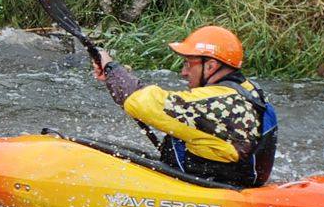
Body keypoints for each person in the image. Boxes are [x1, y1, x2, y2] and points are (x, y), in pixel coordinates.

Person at [90, 26, 278, 188]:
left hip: (216, 188)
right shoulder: (248, 90)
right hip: (230, 179)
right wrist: (113, 78)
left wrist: (111, 68)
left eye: (189, 64)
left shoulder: (217, 103)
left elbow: (141, 102)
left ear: (211, 66)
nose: (184, 72)